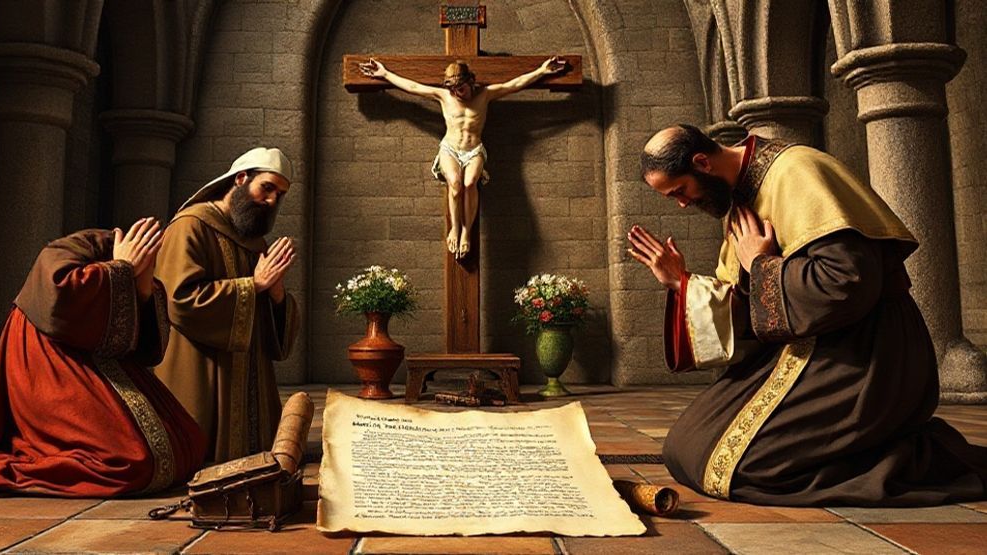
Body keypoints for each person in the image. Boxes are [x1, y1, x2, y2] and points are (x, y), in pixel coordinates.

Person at [627, 124, 987, 506]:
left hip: (866, 353)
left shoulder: (796, 171)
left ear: (702, 163)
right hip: (806, 349)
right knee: (686, 449)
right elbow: (746, 302)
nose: (682, 204)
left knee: (746, 465)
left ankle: (916, 459)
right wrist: (680, 282)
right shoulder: (741, 198)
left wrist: (760, 264)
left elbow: (847, 283)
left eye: (679, 191)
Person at [0, 219, 206, 497]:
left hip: (84, 358)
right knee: (131, 461)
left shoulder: (117, 264)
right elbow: (62, 299)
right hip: (46, 363)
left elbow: (130, 341)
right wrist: (123, 268)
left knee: (188, 442)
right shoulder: (67, 253)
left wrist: (142, 289)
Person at [154, 147, 300, 463]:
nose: (272, 200)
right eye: (267, 188)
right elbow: (178, 299)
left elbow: (267, 311)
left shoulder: (254, 242)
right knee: (199, 460)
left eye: (280, 195)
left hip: (250, 375)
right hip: (201, 370)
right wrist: (254, 286)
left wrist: (276, 295)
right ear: (241, 178)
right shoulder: (191, 226)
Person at [359, 56, 567, 258]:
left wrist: (542, 71)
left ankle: (466, 231)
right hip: (450, 148)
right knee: (456, 184)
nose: (457, 93)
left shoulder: (485, 95)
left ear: (470, 82)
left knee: (469, 183)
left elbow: (514, 84)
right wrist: (384, 74)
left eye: (461, 89)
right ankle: (455, 229)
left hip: (474, 149)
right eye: (453, 90)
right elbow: (413, 87)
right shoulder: (444, 96)